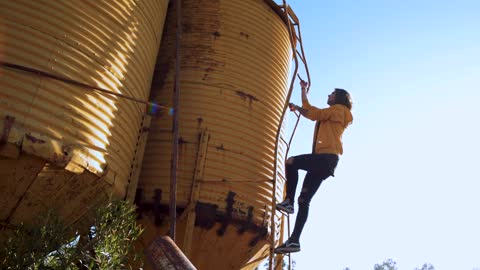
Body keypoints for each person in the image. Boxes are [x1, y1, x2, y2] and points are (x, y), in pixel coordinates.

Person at [274, 79, 353, 254]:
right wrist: (303, 91)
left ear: (338, 98)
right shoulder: (333, 113)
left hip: (326, 158)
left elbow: (312, 114)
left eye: (331, 93)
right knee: (304, 201)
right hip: (324, 161)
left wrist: (298, 107)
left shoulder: (339, 111)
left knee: (291, 162)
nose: (328, 95)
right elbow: (310, 109)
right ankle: (294, 241)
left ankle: (288, 201)